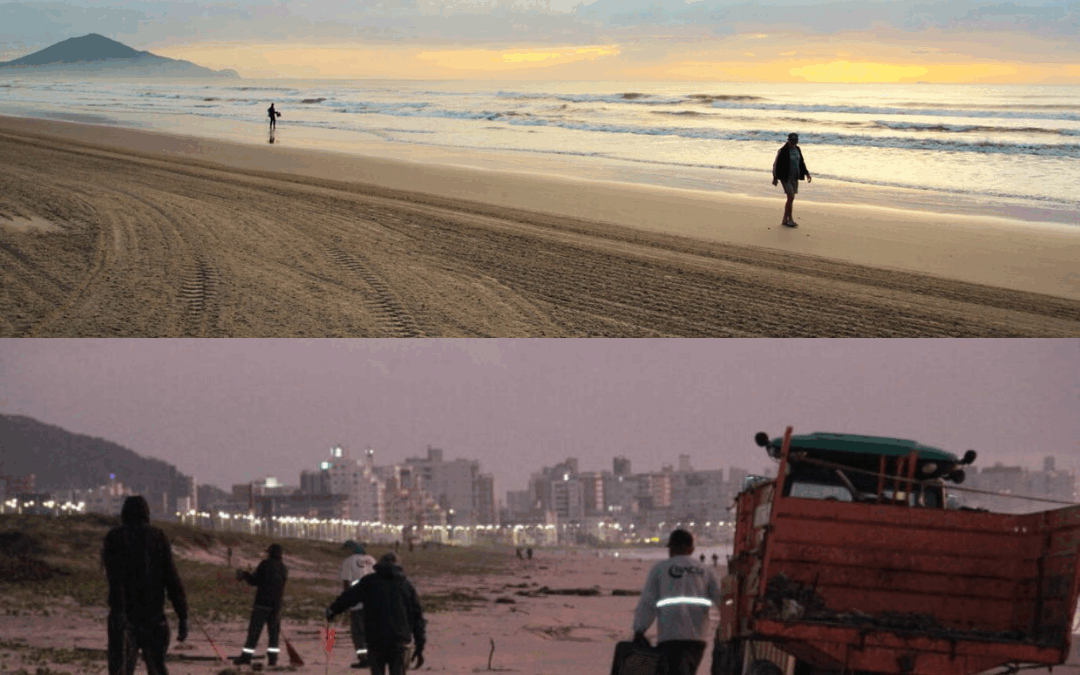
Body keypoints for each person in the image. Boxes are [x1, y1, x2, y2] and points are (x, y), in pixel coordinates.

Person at [101, 495, 189, 675]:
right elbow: (172, 579)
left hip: (124, 616)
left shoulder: (114, 537)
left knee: (121, 670)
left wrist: (118, 613)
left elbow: (114, 578)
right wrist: (183, 616)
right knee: (157, 667)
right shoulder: (158, 537)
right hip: (154, 616)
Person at [632, 529, 722, 675]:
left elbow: (647, 602)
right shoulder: (706, 570)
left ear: (671, 548)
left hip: (669, 636)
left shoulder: (660, 569)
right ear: (691, 549)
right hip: (697, 638)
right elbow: (720, 600)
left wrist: (639, 629)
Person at [326, 552, 427, 675]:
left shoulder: (368, 582)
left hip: (375, 640)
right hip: (399, 641)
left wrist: (332, 611)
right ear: (398, 565)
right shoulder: (406, 585)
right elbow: (418, 618)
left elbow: (348, 598)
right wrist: (419, 647)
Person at [233, 544, 289, 667]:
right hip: (276, 606)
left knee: (254, 633)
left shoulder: (265, 564)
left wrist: (245, 574)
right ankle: (273, 659)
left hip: (262, 604)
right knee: (273, 635)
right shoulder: (283, 568)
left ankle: (246, 657)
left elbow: (255, 581)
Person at [340, 540, 378, 669]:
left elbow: (346, 584)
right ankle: (374, 657)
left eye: (345, 550)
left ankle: (363, 659)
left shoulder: (348, 561)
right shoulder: (372, 560)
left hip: (357, 603)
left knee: (358, 633)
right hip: (373, 603)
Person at [771, 132, 812, 227]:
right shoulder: (783, 151)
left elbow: (801, 163)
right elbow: (776, 165)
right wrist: (775, 178)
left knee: (790, 198)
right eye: (792, 141)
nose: (794, 143)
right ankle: (790, 219)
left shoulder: (797, 149)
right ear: (788, 141)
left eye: (795, 141)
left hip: (795, 177)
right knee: (791, 197)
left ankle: (785, 219)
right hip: (785, 178)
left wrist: (807, 173)